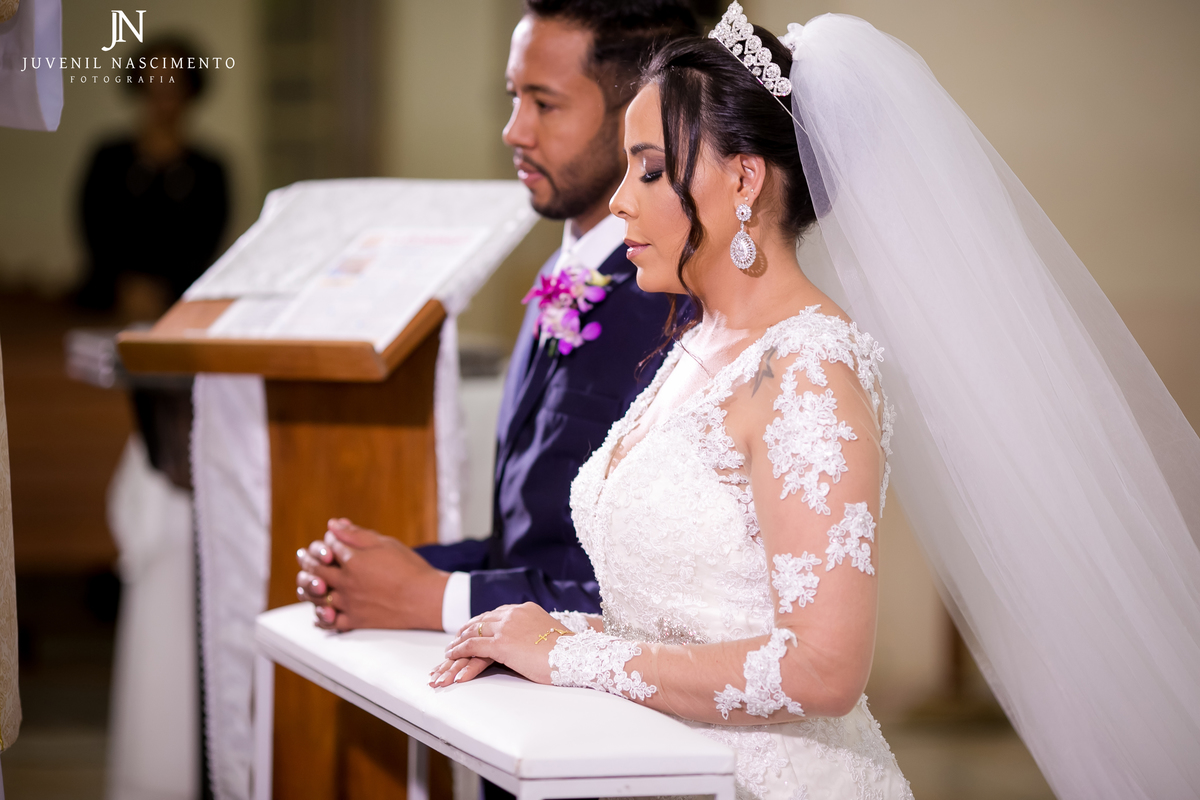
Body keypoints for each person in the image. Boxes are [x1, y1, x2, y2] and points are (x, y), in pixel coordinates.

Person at [430, 5, 1200, 800]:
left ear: (744, 179)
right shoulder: (696, 345)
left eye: (650, 170)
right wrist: (553, 631)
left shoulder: (809, 371)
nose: (622, 200)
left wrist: (570, 656)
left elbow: (821, 669)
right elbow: (682, 620)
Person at [295, 0, 699, 634]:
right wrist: (385, 572)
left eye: (545, 103)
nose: (514, 131)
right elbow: (533, 546)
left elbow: (651, 593)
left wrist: (433, 597)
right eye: (513, 96)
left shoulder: (677, 311)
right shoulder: (560, 276)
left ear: (636, 117)